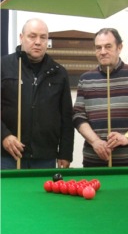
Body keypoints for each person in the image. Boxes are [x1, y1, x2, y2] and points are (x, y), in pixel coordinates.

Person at [73, 28, 128, 167]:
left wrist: (126, 138)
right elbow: (78, 116)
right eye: (98, 48)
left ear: (119, 47)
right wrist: (95, 141)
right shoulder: (86, 79)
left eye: (108, 46)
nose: (103, 51)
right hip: (94, 160)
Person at [1, 18, 74, 169]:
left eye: (43, 37)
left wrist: (66, 153)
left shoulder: (59, 73)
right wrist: (4, 135)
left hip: (45, 157)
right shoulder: (3, 66)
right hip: (7, 154)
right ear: (21, 38)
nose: (38, 42)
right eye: (32, 36)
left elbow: (66, 117)